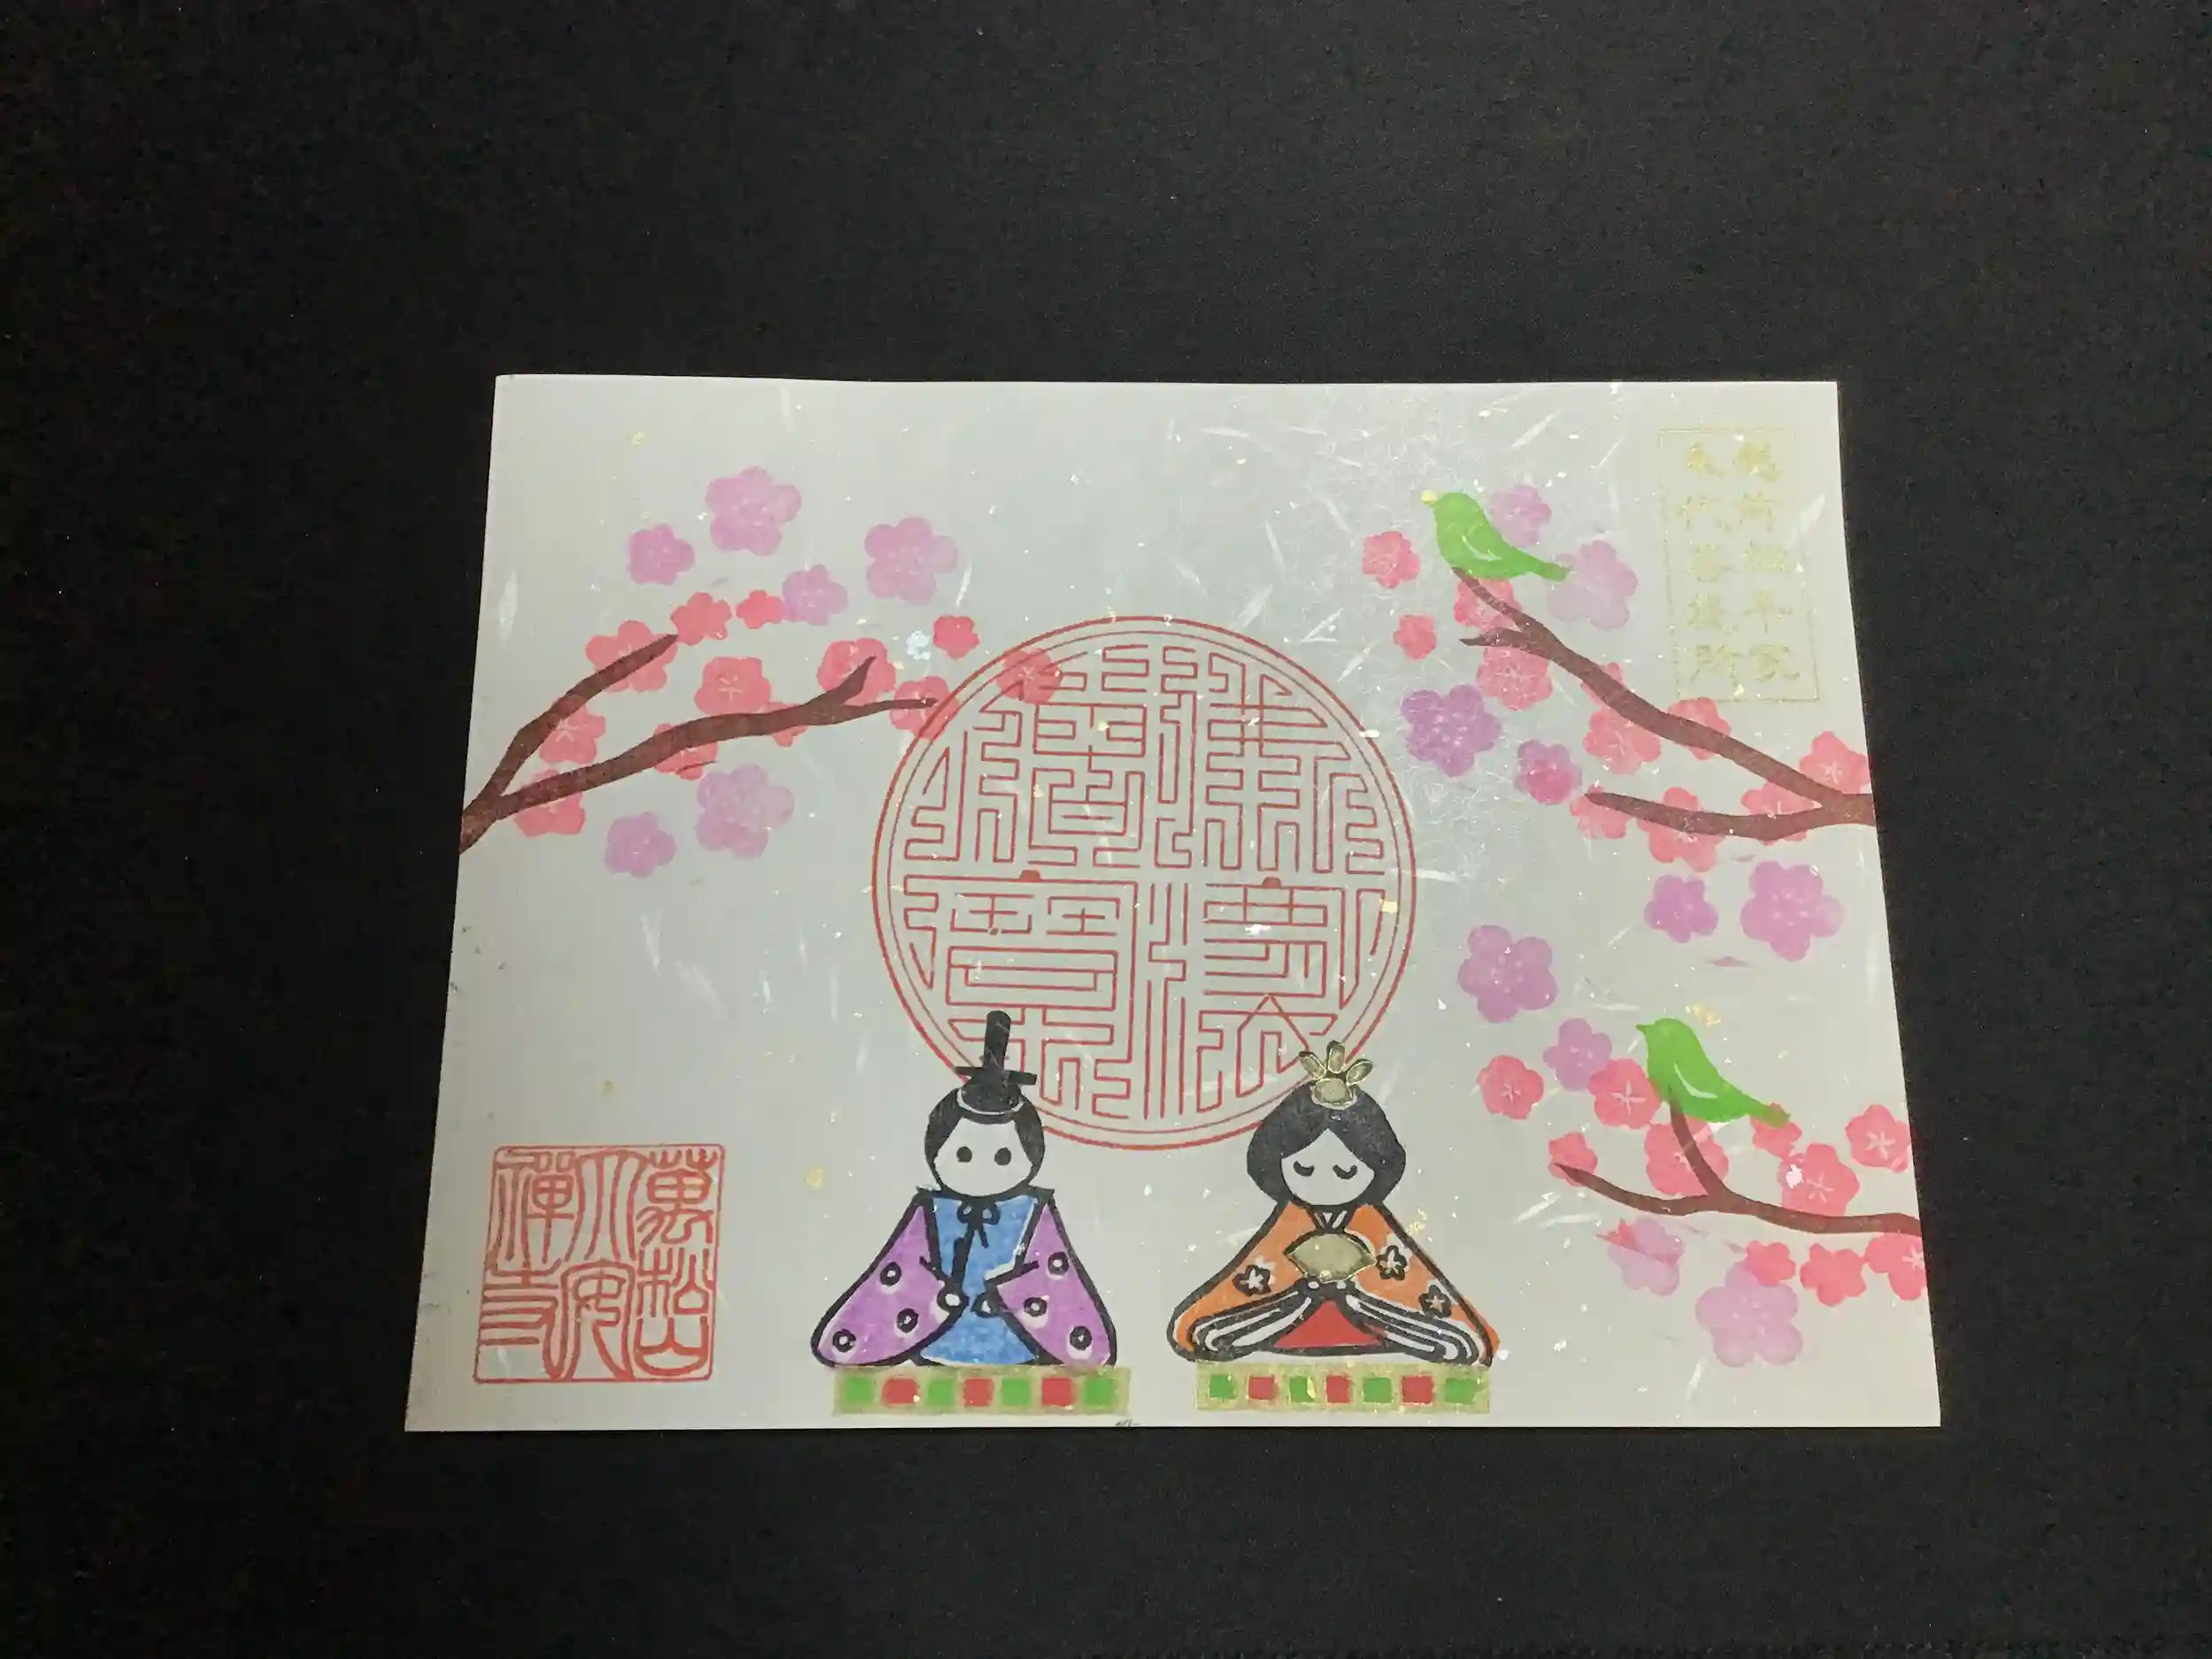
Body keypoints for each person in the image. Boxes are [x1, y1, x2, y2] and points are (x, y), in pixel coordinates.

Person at [812, 1010, 1116, 1368]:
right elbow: (898, 1271)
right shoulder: (930, 1209)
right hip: (936, 1346)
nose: (982, 1171)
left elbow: (1056, 1278)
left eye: (1004, 1157)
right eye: (964, 1154)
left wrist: (1011, 1294)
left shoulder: (1034, 1210)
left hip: (1014, 1350)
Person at [1169, 1041, 1496, 1364]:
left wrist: (1356, 1297)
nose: (1324, 1183)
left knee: (1442, 1338)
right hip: (1291, 1336)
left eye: (1346, 1171)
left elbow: (1416, 1296)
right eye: (1303, 1169)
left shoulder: (1373, 1227)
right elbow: (1241, 1295)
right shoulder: (1287, 1227)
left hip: (1370, 1338)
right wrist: (1302, 1295)